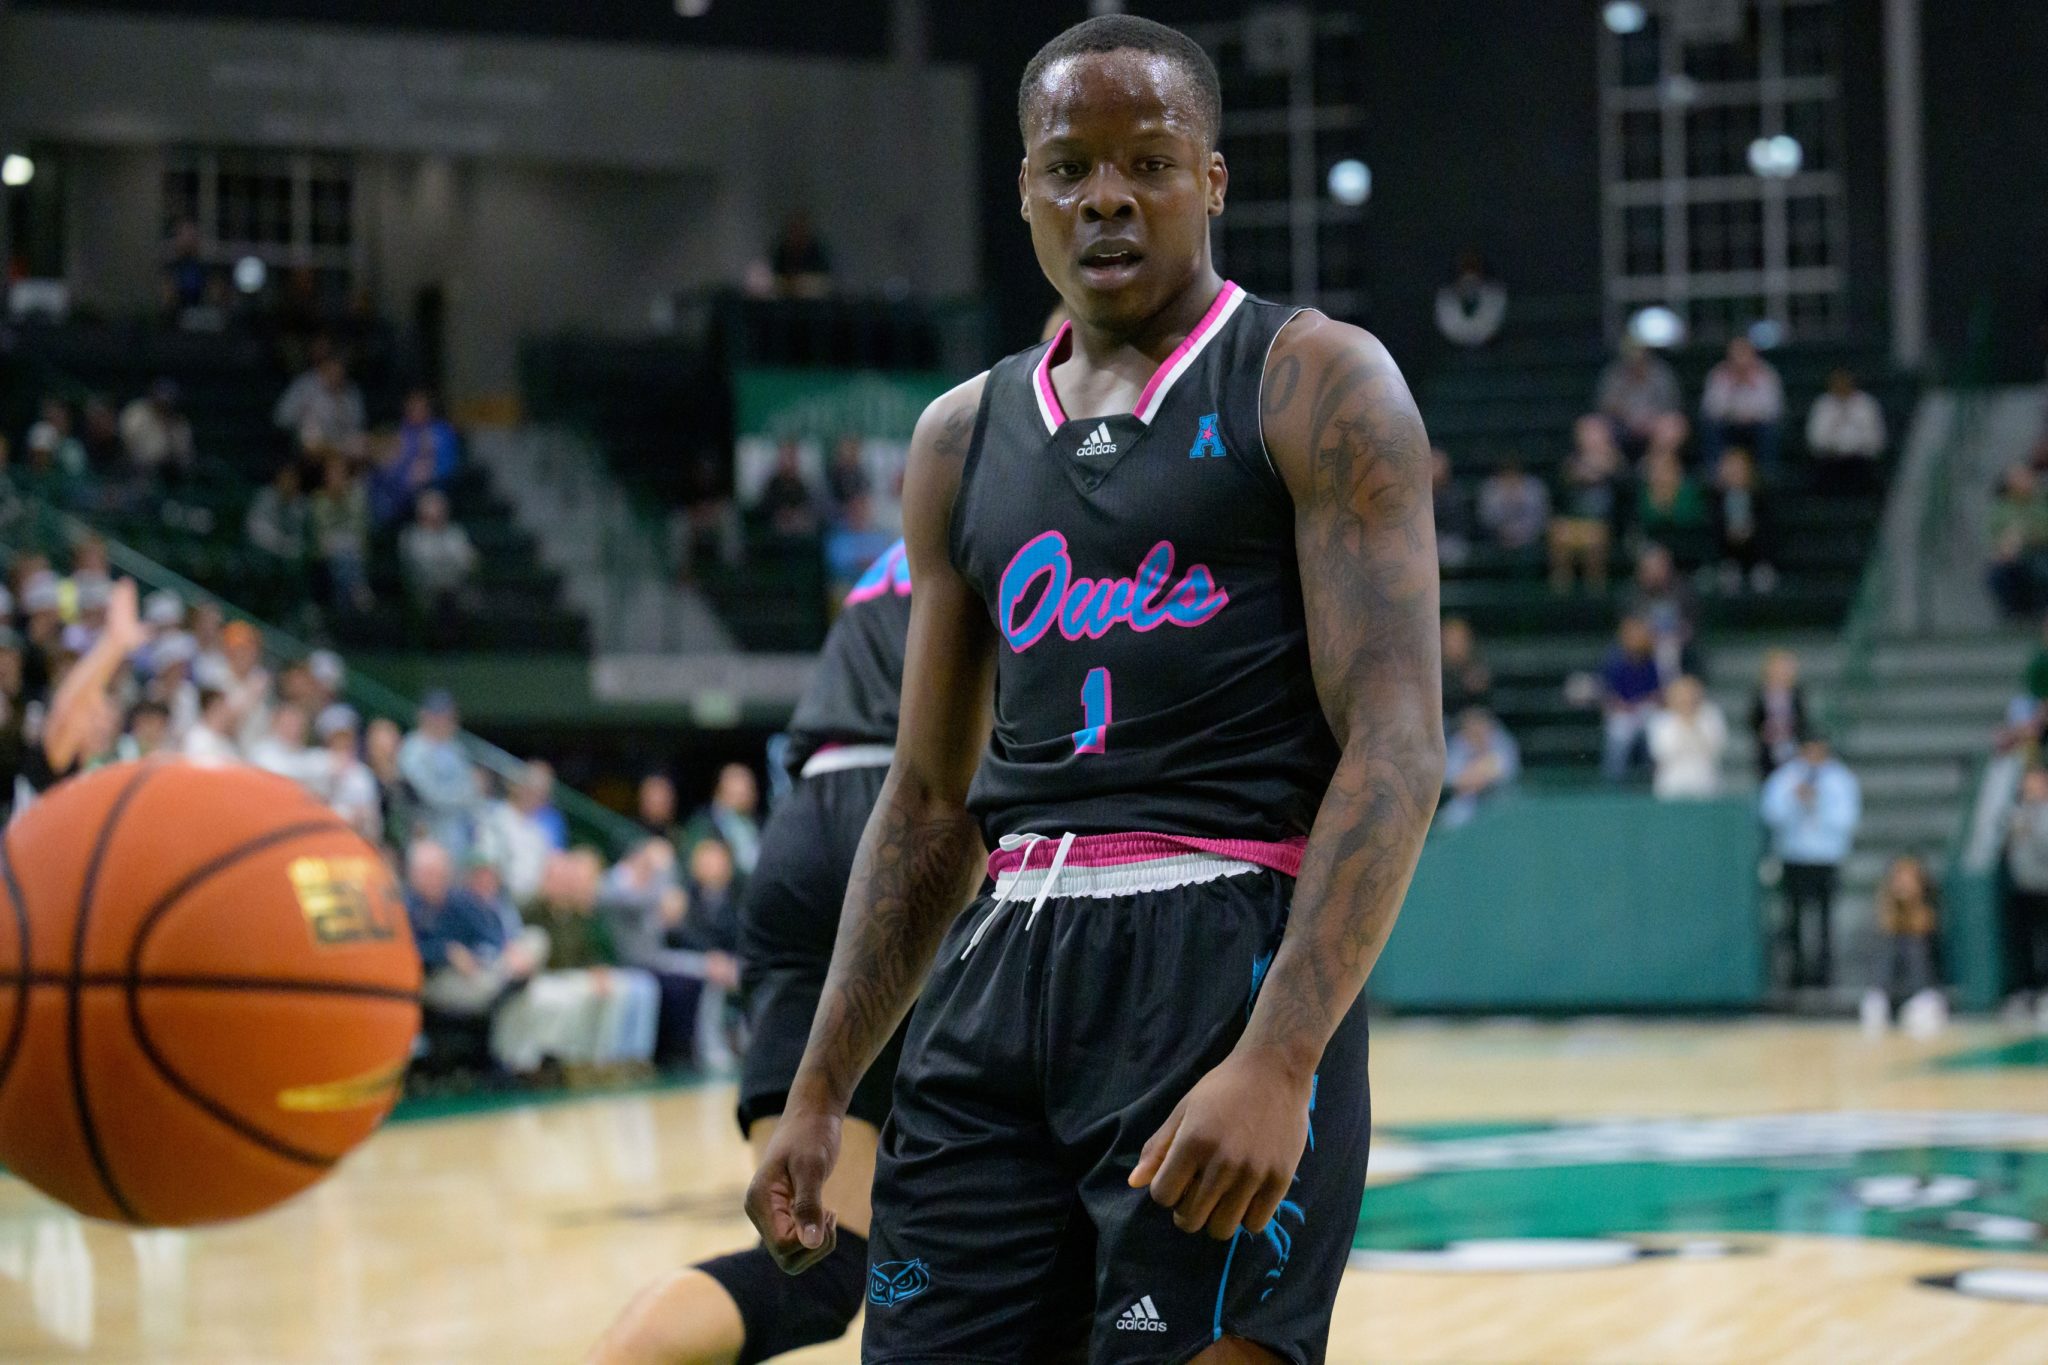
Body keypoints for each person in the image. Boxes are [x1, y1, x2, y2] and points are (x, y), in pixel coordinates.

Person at [744, 19, 1441, 1365]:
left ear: (1213, 181)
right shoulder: (959, 437)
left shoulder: (1313, 381)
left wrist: (1280, 1057)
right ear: (1024, 190)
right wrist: (821, 1088)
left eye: (1148, 162)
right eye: (1068, 167)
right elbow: (928, 800)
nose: (1105, 196)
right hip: (999, 968)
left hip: (1219, 955)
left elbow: (1397, 747)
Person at [594, 539, 915, 1365]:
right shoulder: (1029, 508)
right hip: (917, 816)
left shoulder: (899, 548)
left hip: (801, 830)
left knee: (811, 1266)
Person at [1759, 736, 1862, 990]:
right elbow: (1771, 814)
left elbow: (1847, 819)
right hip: (1794, 857)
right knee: (1793, 917)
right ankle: (1796, 972)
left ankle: (1825, 973)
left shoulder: (1840, 779)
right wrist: (1795, 800)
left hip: (1826, 858)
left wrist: (1819, 801)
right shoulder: (1786, 777)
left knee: (1825, 919)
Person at [406, 840, 542, 1020]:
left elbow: (484, 929)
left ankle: (512, 979)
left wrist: (506, 948)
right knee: (487, 986)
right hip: (431, 977)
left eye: (440, 873)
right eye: (428, 873)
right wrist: (445, 952)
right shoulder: (404, 908)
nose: (435, 879)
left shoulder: (457, 900)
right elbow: (404, 951)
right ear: (413, 874)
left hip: (476, 964)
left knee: (534, 939)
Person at [1862, 855, 1946, 1036]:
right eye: (1899, 879)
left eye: (1909, 879)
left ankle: (1921, 1001)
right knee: (1888, 948)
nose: (1904, 884)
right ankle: (1881, 1000)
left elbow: (1923, 927)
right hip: (1888, 992)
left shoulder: (1930, 910)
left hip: (1920, 993)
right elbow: (1885, 925)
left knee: (1914, 947)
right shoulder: (1884, 913)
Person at [1548, 415, 1625, 594]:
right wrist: (1576, 476)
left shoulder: (1616, 461)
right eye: (1585, 433)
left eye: (1594, 432)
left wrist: (1603, 471)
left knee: (1594, 537)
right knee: (1558, 532)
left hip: (1605, 523)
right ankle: (1561, 594)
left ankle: (1594, 593)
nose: (1590, 438)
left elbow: (1624, 494)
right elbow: (1560, 493)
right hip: (1577, 521)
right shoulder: (1571, 462)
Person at [399, 691, 478, 857]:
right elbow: (428, 794)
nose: (444, 721)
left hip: (458, 835)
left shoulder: (455, 749)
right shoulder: (412, 749)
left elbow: (472, 789)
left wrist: (468, 794)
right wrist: (462, 796)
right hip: (428, 832)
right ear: (425, 716)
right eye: (439, 715)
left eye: (448, 716)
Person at [2001, 767, 2048, 1022]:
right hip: (2022, 887)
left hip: (2043, 887)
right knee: (2024, 944)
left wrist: (2030, 828)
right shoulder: (2017, 811)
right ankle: (2027, 991)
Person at [1700, 336, 1784, 468]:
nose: (1741, 360)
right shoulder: (1718, 374)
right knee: (1711, 427)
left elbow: (1773, 409)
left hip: (1757, 425)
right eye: (1736, 355)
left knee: (1769, 430)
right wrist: (1732, 391)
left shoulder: (1767, 374)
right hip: (1728, 424)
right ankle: (1714, 471)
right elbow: (1711, 409)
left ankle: (1767, 472)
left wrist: (1752, 415)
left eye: (1744, 354)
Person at [1599, 615, 1664, 782]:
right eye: (1632, 634)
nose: (1636, 638)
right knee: (1618, 734)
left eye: (1640, 634)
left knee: (1656, 728)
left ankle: (1653, 778)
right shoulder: (1614, 658)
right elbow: (1606, 691)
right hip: (1622, 710)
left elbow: (1658, 692)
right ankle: (1613, 780)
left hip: (1645, 708)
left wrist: (1644, 703)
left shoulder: (1652, 659)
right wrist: (1619, 704)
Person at [398, 489, 480, 622]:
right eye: (433, 507)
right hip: (425, 590)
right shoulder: (411, 536)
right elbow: (417, 565)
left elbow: (469, 560)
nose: (439, 511)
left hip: (457, 587)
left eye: (441, 507)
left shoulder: (455, 533)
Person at [1595, 338, 1681, 458]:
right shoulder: (1614, 373)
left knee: (1672, 426)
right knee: (1591, 428)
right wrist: (1627, 417)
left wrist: (1650, 419)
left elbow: (1670, 405)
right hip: (1620, 426)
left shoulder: (1661, 373)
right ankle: (1610, 465)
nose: (1635, 358)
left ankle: (1654, 464)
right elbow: (1606, 406)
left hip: (1653, 425)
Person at [1806, 368, 1886, 493]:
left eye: (1845, 382)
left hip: (1859, 459)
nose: (1841, 386)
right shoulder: (1822, 405)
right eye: (1837, 383)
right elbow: (1815, 439)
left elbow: (1875, 438)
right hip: (1831, 459)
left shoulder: (1866, 404)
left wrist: (1855, 447)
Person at [1646, 675, 1727, 799]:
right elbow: (1660, 753)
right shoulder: (1661, 721)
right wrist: (1682, 724)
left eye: (1690, 694)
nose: (1686, 699)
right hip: (1671, 784)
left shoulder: (1710, 716)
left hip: (1705, 782)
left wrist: (1693, 725)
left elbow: (1717, 749)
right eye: (1681, 695)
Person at [1710, 447, 1776, 593]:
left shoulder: (1760, 498)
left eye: (1739, 468)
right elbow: (1713, 531)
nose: (1735, 472)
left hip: (1757, 555)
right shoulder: (1715, 500)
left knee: (1763, 578)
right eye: (1731, 467)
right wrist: (1728, 533)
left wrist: (1751, 532)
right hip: (1726, 556)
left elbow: (1768, 528)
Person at [1440, 706, 1518, 829]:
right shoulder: (1458, 743)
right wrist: (1473, 777)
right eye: (1471, 726)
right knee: (1451, 819)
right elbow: (1450, 778)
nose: (1476, 730)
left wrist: (1474, 775)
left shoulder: (1500, 740)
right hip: (1465, 800)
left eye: (1480, 725)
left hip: (1501, 798)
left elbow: (1502, 770)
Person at [1986, 465, 2048, 619]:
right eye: (2019, 477)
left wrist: (2027, 534)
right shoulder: (2001, 509)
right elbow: (1996, 541)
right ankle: (2014, 615)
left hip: (2041, 554)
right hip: (2017, 560)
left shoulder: (2041, 505)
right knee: (1998, 574)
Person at [682, 762, 762, 880]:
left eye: (748, 790)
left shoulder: (755, 823)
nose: (744, 795)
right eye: (736, 792)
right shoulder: (703, 822)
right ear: (720, 790)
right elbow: (691, 863)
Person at [1635, 447, 1710, 567]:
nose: (1659, 475)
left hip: (1688, 551)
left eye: (1665, 469)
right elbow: (1643, 523)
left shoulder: (1690, 493)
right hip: (1653, 553)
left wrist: (1666, 509)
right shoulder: (1643, 495)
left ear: (1677, 471)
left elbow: (1693, 520)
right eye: (1655, 470)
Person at [1749, 648, 1808, 778]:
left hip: (1791, 745)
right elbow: (1753, 719)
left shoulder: (1796, 693)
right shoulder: (1761, 693)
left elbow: (1802, 719)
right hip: (1768, 748)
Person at [118, 379, 196, 479]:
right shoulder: (137, 412)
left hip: (167, 474)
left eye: (168, 401)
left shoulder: (180, 423)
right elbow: (126, 441)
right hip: (135, 468)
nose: (164, 404)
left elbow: (185, 456)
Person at [1477, 455, 1550, 559]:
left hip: (1531, 537)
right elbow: (1485, 518)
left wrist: (1524, 532)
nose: (1510, 477)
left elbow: (1542, 517)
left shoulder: (1534, 487)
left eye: (1513, 472)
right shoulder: (1489, 489)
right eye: (1506, 473)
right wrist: (1503, 530)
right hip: (1497, 537)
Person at [1433, 250, 1506, 348]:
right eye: (1465, 267)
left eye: (1473, 266)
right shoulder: (1445, 297)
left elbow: (1492, 325)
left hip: (1491, 345)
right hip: (1453, 345)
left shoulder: (1495, 293)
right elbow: (1449, 326)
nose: (1469, 272)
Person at [754, 441, 822, 537]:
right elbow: (764, 509)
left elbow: (811, 506)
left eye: (792, 457)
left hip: (799, 528)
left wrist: (798, 514)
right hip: (777, 530)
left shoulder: (802, 483)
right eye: (786, 457)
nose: (789, 462)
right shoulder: (772, 483)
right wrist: (782, 513)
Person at [245, 465, 310, 564]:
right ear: (278, 479)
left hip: (289, 554)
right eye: (286, 479)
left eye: (293, 480)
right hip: (262, 549)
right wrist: (282, 544)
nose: (289, 483)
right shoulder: (265, 496)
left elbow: (301, 534)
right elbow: (256, 528)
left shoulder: (301, 503)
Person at [1439, 616, 1492, 717]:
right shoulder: (1429, 670)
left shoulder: (1477, 667)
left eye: (1458, 639)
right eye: (1450, 639)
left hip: (1471, 719)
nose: (1454, 644)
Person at [1431, 447, 1473, 568]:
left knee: (1450, 553)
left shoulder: (1454, 493)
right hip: (1426, 541)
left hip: (1450, 540)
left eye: (1437, 465)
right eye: (1432, 464)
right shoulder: (1417, 494)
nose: (1434, 470)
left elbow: (1455, 524)